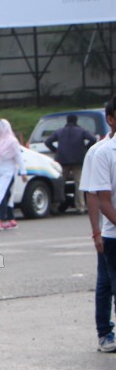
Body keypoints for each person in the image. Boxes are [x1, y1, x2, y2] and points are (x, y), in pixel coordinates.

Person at [82, 95, 116, 353]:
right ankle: (104, 332)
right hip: (109, 231)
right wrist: (96, 232)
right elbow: (94, 197)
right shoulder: (99, 152)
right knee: (106, 284)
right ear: (110, 119)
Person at [45, 113, 96, 213]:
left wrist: (56, 150)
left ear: (67, 121)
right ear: (76, 121)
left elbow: (48, 141)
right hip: (78, 160)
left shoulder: (60, 131)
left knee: (60, 183)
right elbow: (93, 139)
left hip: (62, 160)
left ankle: (55, 206)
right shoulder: (81, 131)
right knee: (79, 183)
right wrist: (85, 148)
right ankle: (80, 206)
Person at [0, 119, 26, 230]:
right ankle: (11, 219)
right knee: (7, 195)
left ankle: (0, 219)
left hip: (8, 172)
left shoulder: (12, 141)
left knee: (2, 194)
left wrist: (23, 172)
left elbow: (18, 157)